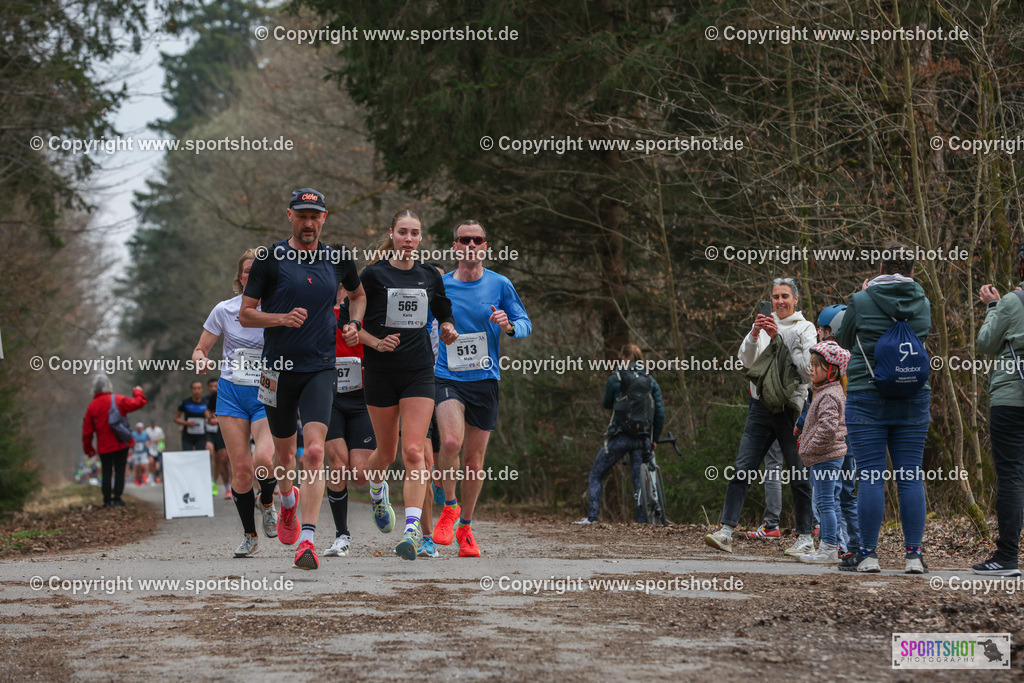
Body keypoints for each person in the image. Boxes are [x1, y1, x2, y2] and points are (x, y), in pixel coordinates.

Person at [240, 187, 365, 570]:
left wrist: (354, 323)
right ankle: (287, 500)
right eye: (302, 215)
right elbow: (246, 314)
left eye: (315, 216)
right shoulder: (269, 259)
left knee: (314, 450)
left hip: (320, 366)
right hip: (276, 370)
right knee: (282, 457)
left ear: (324, 218)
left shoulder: (338, 258)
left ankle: (307, 540)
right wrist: (280, 318)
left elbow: (358, 296)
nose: (309, 222)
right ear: (290, 216)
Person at [357, 209, 458, 560]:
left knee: (413, 451)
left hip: (418, 372)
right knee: (385, 453)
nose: (409, 239)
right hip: (381, 373)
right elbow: (349, 324)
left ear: (420, 238)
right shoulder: (372, 275)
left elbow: (444, 312)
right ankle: (376, 490)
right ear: (392, 235)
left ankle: (412, 529)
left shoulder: (429, 275)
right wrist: (376, 343)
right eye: (403, 232)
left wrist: (447, 328)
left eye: (415, 233)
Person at [431, 221, 531, 556]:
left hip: (485, 381)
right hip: (447, 376)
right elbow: (423, 326)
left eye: (477, 239)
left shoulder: (500, 284)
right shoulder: (440, 285)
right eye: (464, 239)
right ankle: (448, 506)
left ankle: (466, 528)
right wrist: (442, 331)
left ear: (485, 246)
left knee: (474, 462)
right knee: (450, 441)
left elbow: (525, 322)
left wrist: (511, 325)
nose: (471, 244)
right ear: (455, 246)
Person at [835, 246, 931, 574]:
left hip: (867, 394)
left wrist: (863, 297)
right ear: (912, 271)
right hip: (913, 396)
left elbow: (844, 340)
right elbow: (922, 336)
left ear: (879, 267)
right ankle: (914, 556)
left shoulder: (861, 300)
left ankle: (868, 555)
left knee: (872, 475)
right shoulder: (923, 301)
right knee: (910, 474)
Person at [706, 277, 817, 555]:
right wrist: (756, 334)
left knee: (798, 474)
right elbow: (745, 361)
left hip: (790, 409)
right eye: (776, 296)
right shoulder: (762, 325)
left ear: (795, 300)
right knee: (742, 468)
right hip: (759, 407)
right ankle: (726, 532)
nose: (779, 302)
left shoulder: (805, 328)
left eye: (785, 296)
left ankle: (805, 537)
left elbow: (807, 371)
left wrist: (780, 340)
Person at [192, 247, 280, 558]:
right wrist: (201, 360)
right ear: (240, 278)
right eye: (247, 270)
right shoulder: (224, 310)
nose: (252, 275)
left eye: (258, 270)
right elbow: (200, 349)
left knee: (265, 460)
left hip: (267, 391)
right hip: (231, 392)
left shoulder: (277, 310)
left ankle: (267, 502)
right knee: (241, 469)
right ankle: (249, 535)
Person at [973, 254, 1024, 577]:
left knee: (1011, 476)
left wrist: (993, 307)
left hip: (1011, 399)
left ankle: (1007, 557)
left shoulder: (1012, 301)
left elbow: (986, 343)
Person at [576, 343, 664, 524]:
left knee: (596, 474)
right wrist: (654, 438)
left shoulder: (616, 379)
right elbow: (660, 411)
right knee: (639, 482)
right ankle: (642, 523)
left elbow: (607, 404)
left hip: (620, 437)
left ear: (623, 358)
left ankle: (592, 518)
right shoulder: (650, 381)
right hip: (643, 438)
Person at [321, 298, 377, 558]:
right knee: (337, 464)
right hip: (328, 396)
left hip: (362, 396)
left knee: (360, 474)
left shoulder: (365, 309)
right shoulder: (317, 308)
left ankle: (379, 488)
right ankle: (341, 535)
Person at [797, 342, 851, 563]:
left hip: (826, 457)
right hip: (825, 456)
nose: (811, 369)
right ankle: (829, 546)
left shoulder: (829, 395)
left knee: (826, 503)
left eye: (816, 366)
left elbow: (827, 428)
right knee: (825, 502)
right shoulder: (824, 391)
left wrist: (808, 447)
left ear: (832, 370)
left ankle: (829, 548)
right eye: (810, 364)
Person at [82, 375, 147, 507]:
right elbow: (138, 403)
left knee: (106, 471)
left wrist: (89, 449)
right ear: (109, 386)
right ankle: (117, 498)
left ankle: (107, 500)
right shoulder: (118, 399)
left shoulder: (92, 406)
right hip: (120, 443)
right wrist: (138, 392)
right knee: (119, 470)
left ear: (94, 389)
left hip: (104, 446)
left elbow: (87, 431)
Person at [204, 377, 231, 499]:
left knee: (223, 459)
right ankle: (213, 481)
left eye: (216, 386)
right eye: (211, 386)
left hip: (223, 429)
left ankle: (227, 486)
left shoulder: (228, 392)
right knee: (214, 456)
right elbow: (207, 411)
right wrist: (212, 418)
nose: (214, 388)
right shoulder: (209, 398)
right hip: (210, 432)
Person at [145, 419, 165, 485]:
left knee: (156, 465)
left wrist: (161, 446)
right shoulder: (147, 430)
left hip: (158, 448)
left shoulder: (159, 430)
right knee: (151, 462)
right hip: (150, 448)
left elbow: (163, 439)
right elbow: (145, 438)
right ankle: (150, 476)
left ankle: (154, 476)